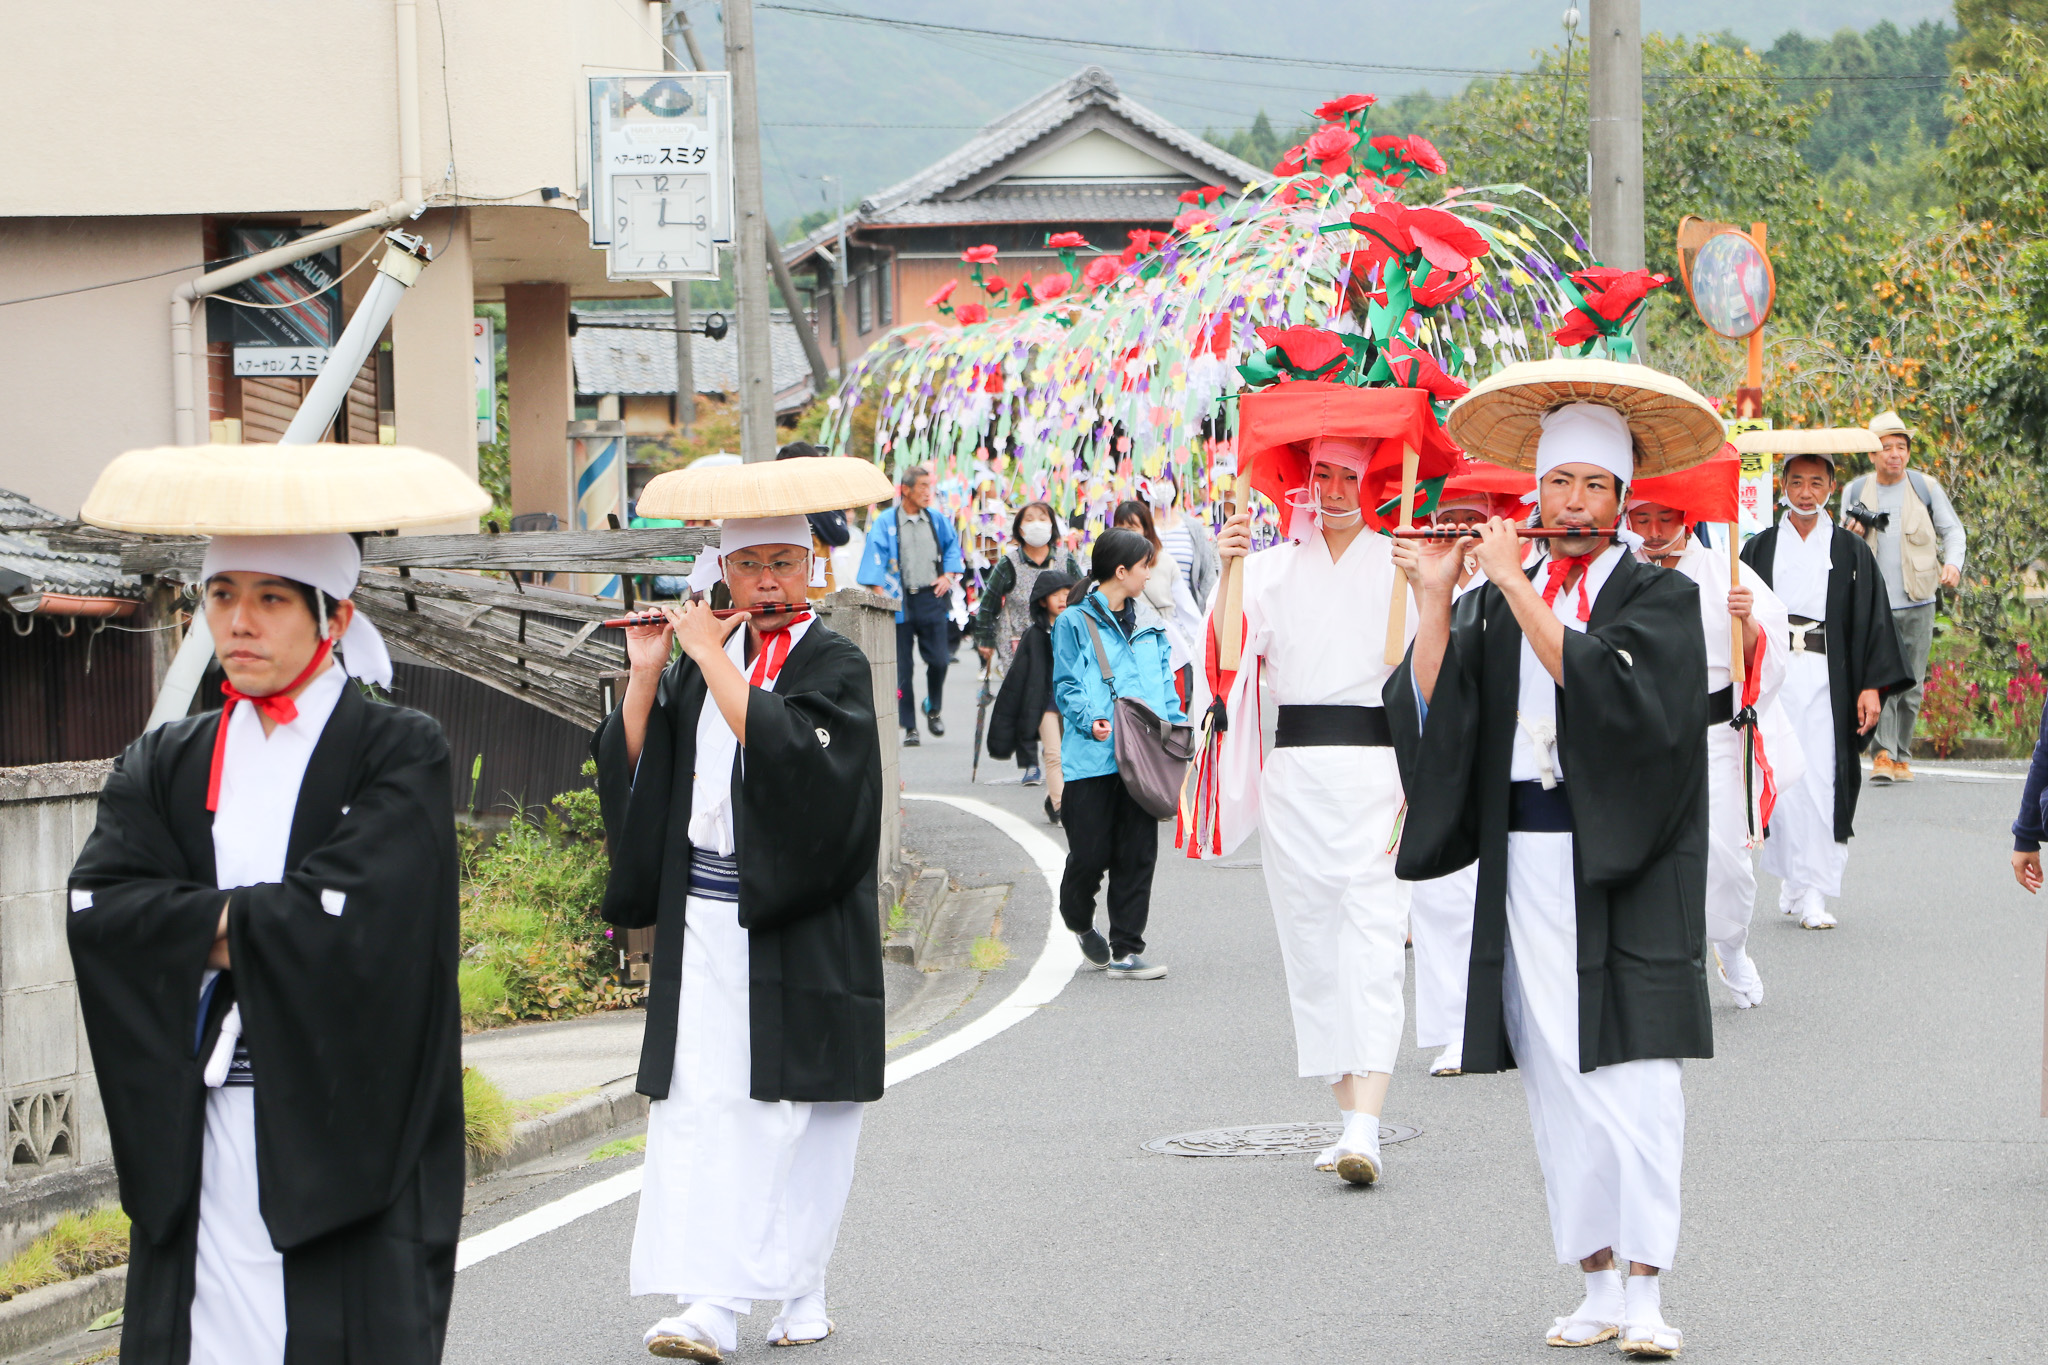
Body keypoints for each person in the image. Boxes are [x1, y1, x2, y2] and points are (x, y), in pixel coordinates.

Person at [68, 443, 480, 1365]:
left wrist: (201, 924)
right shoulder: (166, 759)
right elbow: (100, 908)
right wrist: (269, 923)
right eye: (222, 593)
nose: (239, 621)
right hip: (199, 1134)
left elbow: (367, 925)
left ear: (335, 613)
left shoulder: (397, 751)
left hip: (342, 1139)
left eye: (271, 597)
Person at [1389, 366, 1726, 1358]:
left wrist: (1501, 583)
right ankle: (1592, 1278)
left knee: (1634, 1074)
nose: (1570, 506)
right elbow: (1436, 723)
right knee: (1553, 1071)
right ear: (1530, 495)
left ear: (1623, 501)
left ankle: (1647, 1286)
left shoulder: (1659, 596)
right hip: (1526, 858)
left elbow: (1614, 701)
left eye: (1591, 487)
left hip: (1626, 856)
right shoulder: (1502, 597)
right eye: (1556, 486)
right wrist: (1438, 600)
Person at [595, 486, 884, 1362]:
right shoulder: (698, 660)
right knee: (704, 1109)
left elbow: (798, 764)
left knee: (803, 1118)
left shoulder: (834, 664)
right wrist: (650, 670)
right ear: (722, 571)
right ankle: (712, 1299)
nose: (766, 582)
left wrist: (706, 654)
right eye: (749, 565)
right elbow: (640, 781)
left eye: (782, 564)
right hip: (706, 922)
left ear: (811, 568)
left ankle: (797, 1281)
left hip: (797, 918)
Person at [1207, 439, 1417, 1184]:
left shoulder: (1400, 561)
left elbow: (1431, 668)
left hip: (1376, 773)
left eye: (1348, 476)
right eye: (1321, 474)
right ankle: (1350, 1114)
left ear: (1371, 481)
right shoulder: (1266, 569)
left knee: (1373, 937)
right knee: (1313, 944)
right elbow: (1227, 658)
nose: (1332, 489)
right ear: (1302, 480)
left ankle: (1368, 1120)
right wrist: (1228, 564)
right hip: (1294, 776)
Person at [1626, 493, 1792, 1007]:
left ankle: (1732, 944)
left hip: (1714, 729)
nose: (1653, 530)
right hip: (1641, 736)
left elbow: (1769, 652)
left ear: (1686, 517)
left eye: (1665, 517)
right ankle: (1665, 963)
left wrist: (1747, 625)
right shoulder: (1617, 572)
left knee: (1726, 856)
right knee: (1643, 854)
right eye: (1642, 518)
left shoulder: (1724, 568)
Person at [1740, 452, 1913, 930]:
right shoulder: (1759, 549)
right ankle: (1793, 882)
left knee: (1822, 778)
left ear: (1831, 488)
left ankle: (1816, 891)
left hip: (1827, 677)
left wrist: (1872, 687)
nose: (1805, 492)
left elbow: (1873, 622)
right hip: (1774, 673)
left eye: (1816, 483)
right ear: (1783, 485)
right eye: (1797, 482)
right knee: (1783, 777)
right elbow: (1737, 616)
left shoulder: (1850, 551)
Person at [1405, 483, 1517, 1079]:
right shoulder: (1421, 577)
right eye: (1447, 520)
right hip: (1444, 754)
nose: (1458, 532)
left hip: (1516, 754)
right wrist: (1427, 589)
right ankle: (1454, 1029)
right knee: (1443, 895)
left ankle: (1515, 1020)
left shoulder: (1517, 579)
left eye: (1471, 520)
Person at [1053, 528, 1182, 981]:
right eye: (1144, 566)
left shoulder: (1151, 623)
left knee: (1137, 854)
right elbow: (1066, 684)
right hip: (1093, 755)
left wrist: (1176, 729)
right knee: (1089, 854)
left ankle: (1127, 949)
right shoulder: (1073, 622)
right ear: (1121, 571)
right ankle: (1077, 916)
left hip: (1144, 755)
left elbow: (1164, 685)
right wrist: (1090, 720)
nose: (1150, 573)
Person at [1841, 412, 1966, 784]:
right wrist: (1852, 533)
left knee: (1911, 683)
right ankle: (1882, 754)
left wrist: (1954, 566)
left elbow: (1952, 531)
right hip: (1872, 604)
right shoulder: (1854, 491)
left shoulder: (1925, 487)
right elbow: (1837, 545)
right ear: (1873, 454)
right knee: (1879, 680)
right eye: (1886, 448)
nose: (1894, 454)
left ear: (1908, 453)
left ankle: (1902, 756)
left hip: (1919, 601)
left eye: (1901, 447)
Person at [857, 464, 963, 747]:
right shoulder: (886, 521)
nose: (929, 493)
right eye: (923, 488)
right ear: (905, 490)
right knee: (903, 668)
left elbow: (953, 548)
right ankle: (910, 726)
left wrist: (948, 575)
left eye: (931, 487)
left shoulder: (937, 520)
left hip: (931, 597)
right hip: (899, 600)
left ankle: (933, 706)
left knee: (940, 659)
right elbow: (874, 556)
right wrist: (882, 596)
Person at [986, 570, 1077, 814]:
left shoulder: (1078, 631)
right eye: (1055, 594)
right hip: (1044, 703)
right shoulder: (1034, 635)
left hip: (1072, 702)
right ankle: (1060, 806)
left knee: (1071, 755)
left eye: (1067, 594)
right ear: (1042, 600)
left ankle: (1052, 797)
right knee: (1053, 753)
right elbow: (1018, 677)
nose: (1061, 599)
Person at [970, 501, 1083, 676]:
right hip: (1017, 643)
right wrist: (985, 639)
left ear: (1052, 525)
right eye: (1029, 519)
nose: (1036, 523)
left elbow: (1081, 598)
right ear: (1020, 528)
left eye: (1042, 518)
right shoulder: (1009, 563)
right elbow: (988, 603)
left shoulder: (1065, 560)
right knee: (1022, 695)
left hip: (1060, 641)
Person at [774, 441, 852, 597]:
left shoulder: (774, 500)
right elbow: (840, 535)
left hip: (781, 592)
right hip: (812, 595)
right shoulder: (812, 503)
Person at [1140, 472, 1221, 610]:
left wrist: (1209, 614)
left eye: (1167, 479)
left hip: (1187, 622)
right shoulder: (1139, 527)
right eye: (1157, 480)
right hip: (1147, 617)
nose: (1163, 485)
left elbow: (1208, 576)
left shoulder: (1192, 526)